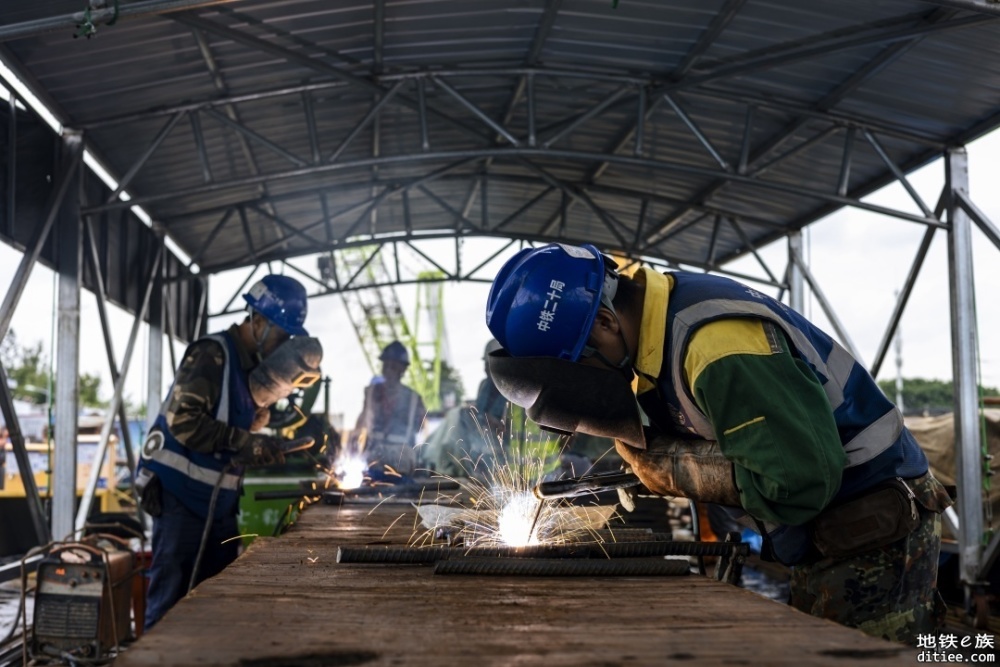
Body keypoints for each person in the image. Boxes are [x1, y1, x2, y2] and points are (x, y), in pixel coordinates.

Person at [485, 242, 952, 644]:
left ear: (606, 323)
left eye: (583, 368)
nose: (594, 380)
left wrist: (671, 469)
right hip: (826, 535)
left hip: (874, 531)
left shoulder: (717, 347)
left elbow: (797, 481)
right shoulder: (652, 326)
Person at [136, 274, 314, 629]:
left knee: (213, 608)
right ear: (257, 321)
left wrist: (256, 426)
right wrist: (247, 442)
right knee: (170, 610)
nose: (283, 345)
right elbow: (184, 423)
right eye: (281, 334)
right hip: (179, 500)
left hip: (216, 503)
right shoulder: (212, 353)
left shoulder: (251, 368)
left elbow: (227, 425)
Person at [353, 341, 426, 478]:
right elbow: (363, 418)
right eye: (386, 366)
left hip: (401, 460)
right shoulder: (372, 392)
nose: (388, 370)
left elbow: (420, 428)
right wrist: (354, 440)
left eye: (393, 367)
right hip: (374, 457)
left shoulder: (414, 399)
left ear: (402, 370)